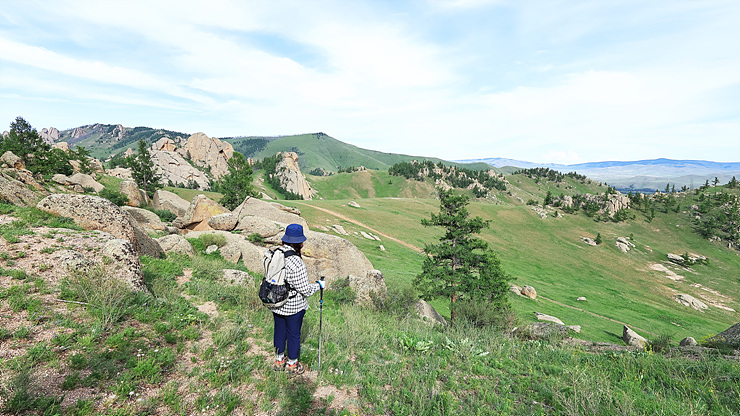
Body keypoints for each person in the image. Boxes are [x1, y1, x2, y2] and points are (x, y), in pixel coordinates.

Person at [271, 223, 325, 375]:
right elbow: (304, 290)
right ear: (299, 243)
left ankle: (279, 361)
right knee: (293, 335)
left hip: (276, 301)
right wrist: (319, 285)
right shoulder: (296, 262)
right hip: (293, 306)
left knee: (279, 332)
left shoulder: (276, 253)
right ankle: (292, 365)